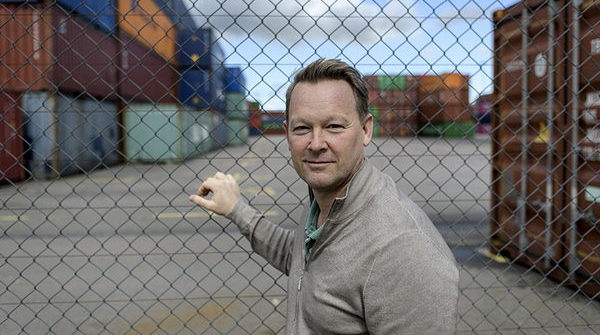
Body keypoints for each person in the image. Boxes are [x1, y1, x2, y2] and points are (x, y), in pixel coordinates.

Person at [189, 58, 459, 334]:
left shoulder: (402, 249)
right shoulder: (326, 202)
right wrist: (236, 209)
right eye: (302, 128)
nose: (316, 144)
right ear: (287, 133)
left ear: (365, 130)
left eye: (334, 127)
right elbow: (301, 258)